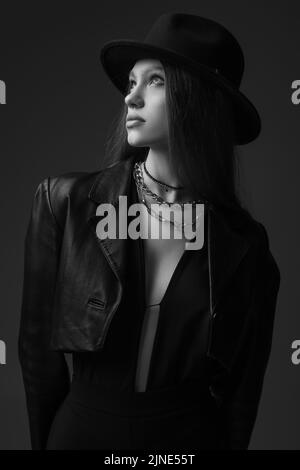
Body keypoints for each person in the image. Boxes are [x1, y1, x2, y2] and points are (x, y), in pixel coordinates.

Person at [18, 13, 281, 450]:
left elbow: (241, 398)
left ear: (199, 100)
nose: (131, 99)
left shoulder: (244, 246)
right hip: (81, 437)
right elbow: (37, 360)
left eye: (155, 81)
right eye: (130, 83)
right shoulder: (63, 202)